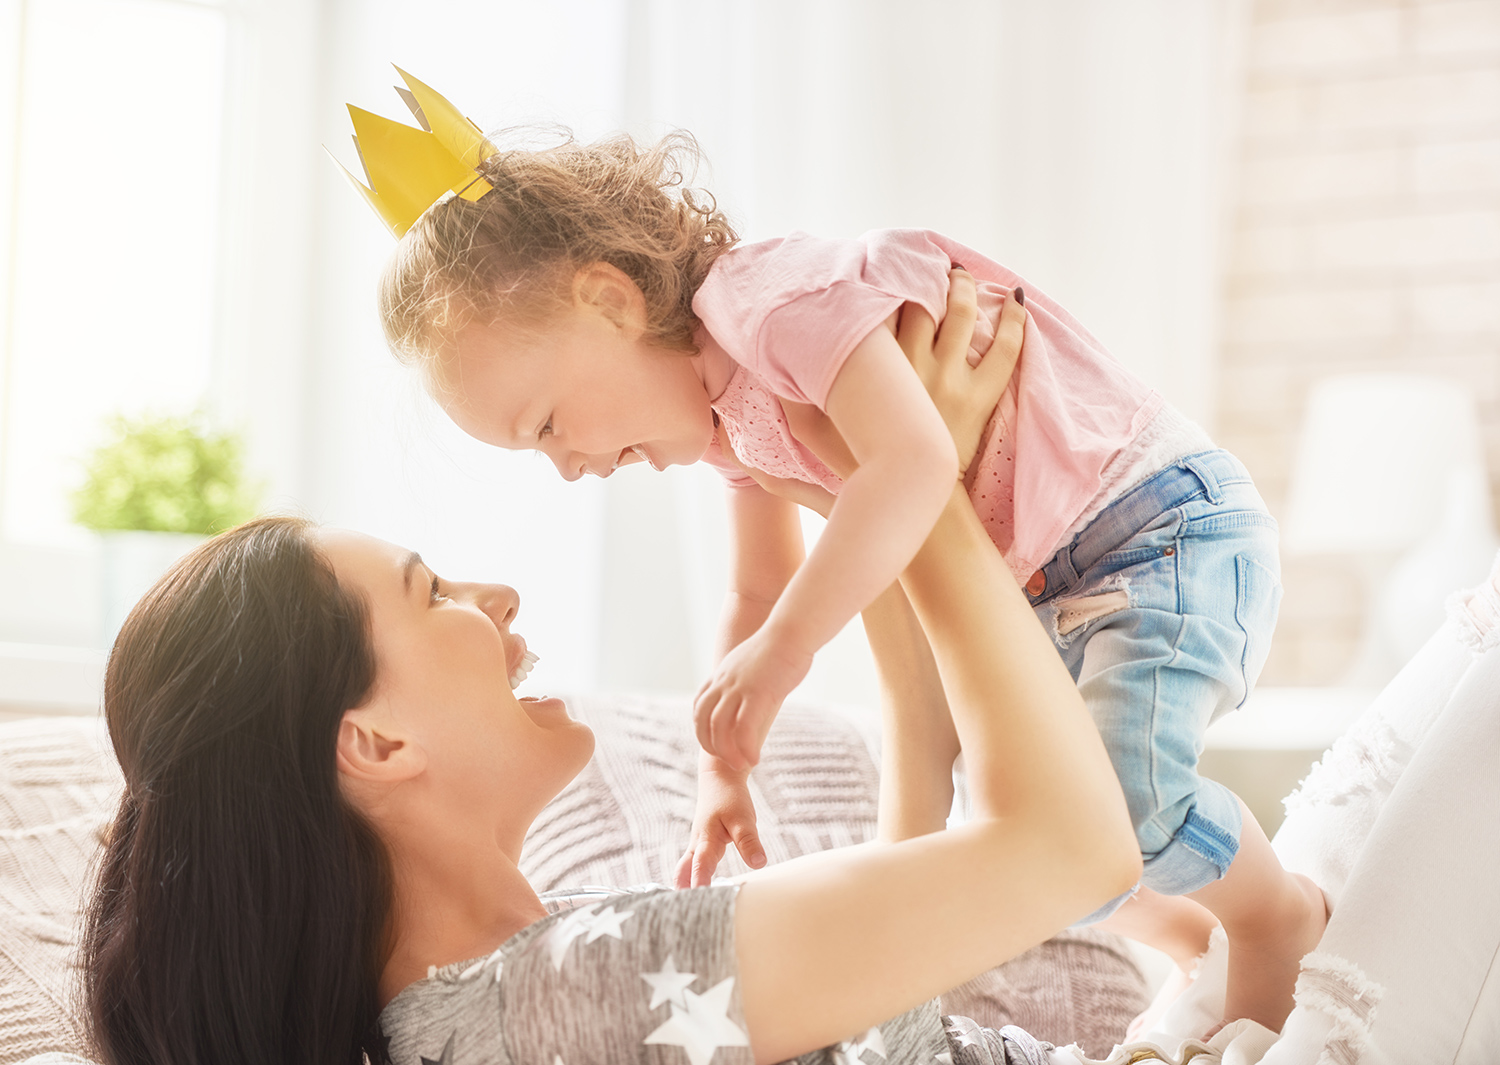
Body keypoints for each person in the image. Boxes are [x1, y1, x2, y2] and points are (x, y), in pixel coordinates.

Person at [364, 78, 1324, 1028]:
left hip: (1153, 526)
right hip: (1053, 580)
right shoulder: (732, 430)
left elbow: (912, 462)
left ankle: (1275, 914)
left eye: (547, 425)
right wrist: (723, 763)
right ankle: (1200, 940)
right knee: (1043, 841)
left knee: (1120, 804)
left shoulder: (771, 306)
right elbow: (754, 586)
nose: (570, 468)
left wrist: (782, 653)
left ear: (610, 299)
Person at [79, 299, 1142, 1065]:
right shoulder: (574, 990)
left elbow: (914, 955)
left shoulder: (517, 1004)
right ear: (374, 743)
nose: (495, 593)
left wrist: (891, 509)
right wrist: (926, 485)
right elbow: (1070, 848)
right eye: (431, 590)